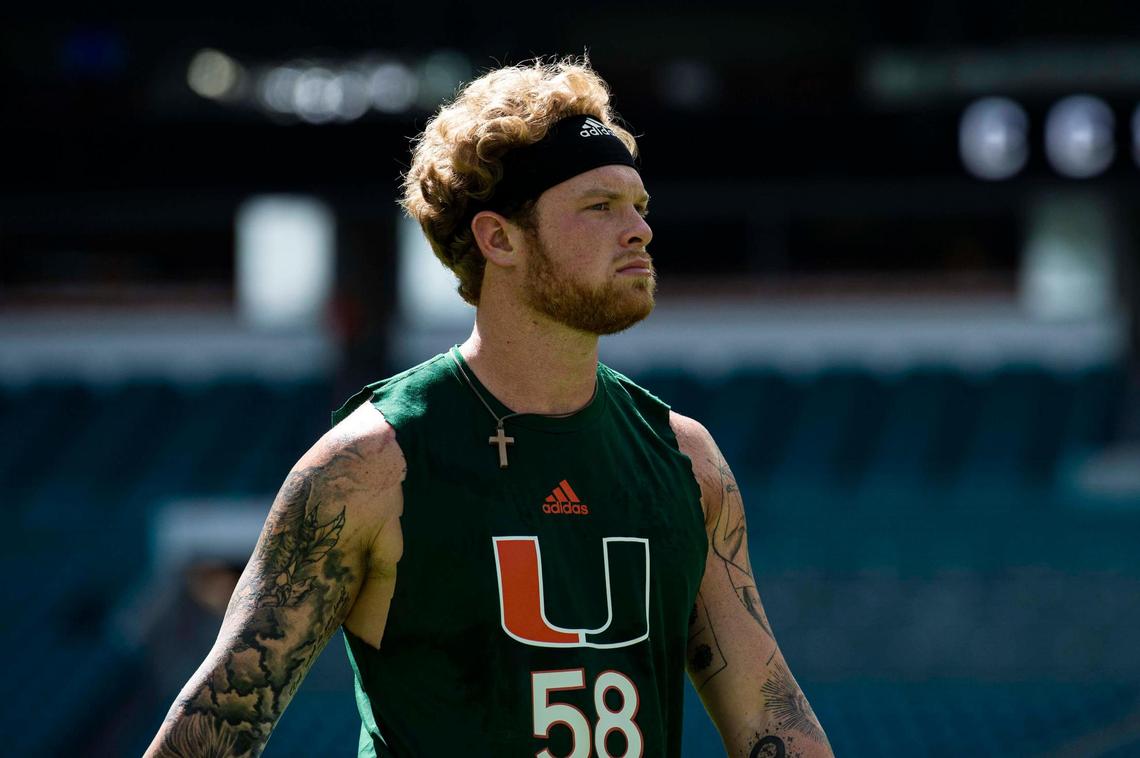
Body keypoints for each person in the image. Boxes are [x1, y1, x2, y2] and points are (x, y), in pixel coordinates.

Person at [146, 56, 832, 758]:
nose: (639, 231)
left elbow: (771, 720)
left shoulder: (687, 464)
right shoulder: (371, 465)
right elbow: (211, 729)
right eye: (600, 206)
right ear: (498, 237)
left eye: (639, 206)